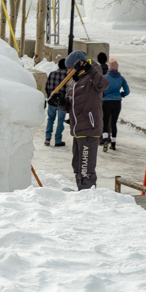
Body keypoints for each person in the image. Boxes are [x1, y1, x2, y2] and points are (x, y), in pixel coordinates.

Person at [50, 50, 109, 191]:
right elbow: (71, 107)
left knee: (85, 168)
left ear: (79, 66)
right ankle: (81, 192)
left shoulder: (91, 78)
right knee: (77, 165)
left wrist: (89, 70)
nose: (68, 71)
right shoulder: (73, 82)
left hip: (89, 128)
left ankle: (87, 195)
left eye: (70, 68)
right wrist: (61, 103)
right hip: (77, 129)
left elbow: (104, 85)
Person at [102, 58, 130, 151]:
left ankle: (105, 139)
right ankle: (113, 143)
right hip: (117, 102)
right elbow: (127, 91)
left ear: (109, 68)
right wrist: (121, 95)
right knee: (114, 122)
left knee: (105, 121)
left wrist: (103, 96)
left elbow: (101, 90)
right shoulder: (121, 78)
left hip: (106, 101)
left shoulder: (105, 78)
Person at [44, 59, 68, 147]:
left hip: (52, 101)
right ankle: (58, 140)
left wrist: (48, 96)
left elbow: (47, 86)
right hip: (62, 102)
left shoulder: (52, 73)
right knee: (60, 121)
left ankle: (47, 137)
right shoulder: (67, 76)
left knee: (50, 119)